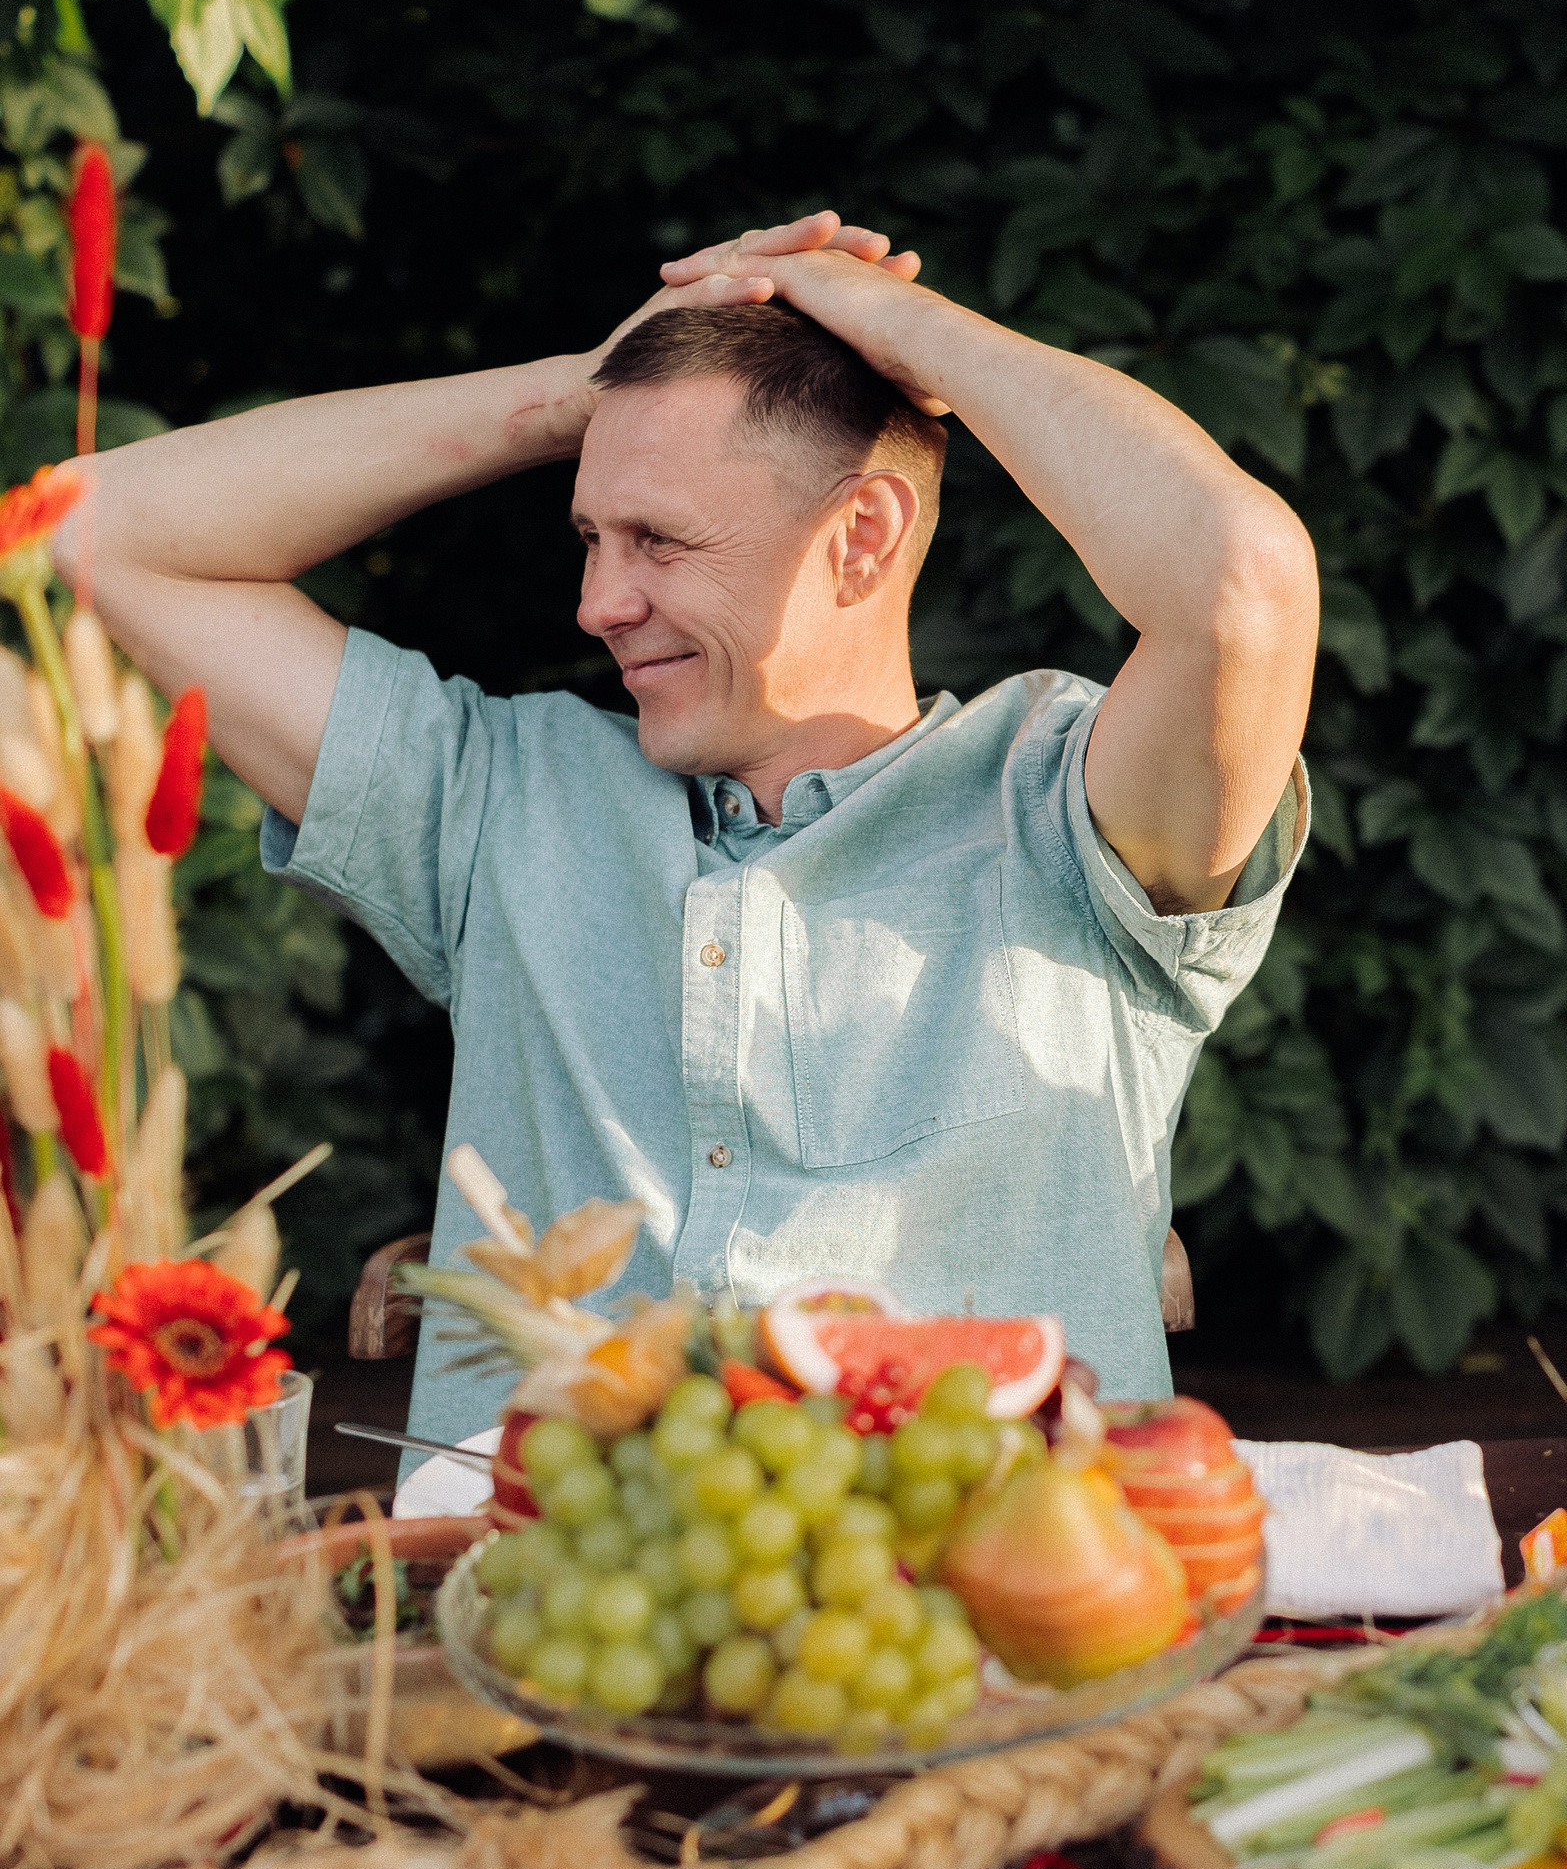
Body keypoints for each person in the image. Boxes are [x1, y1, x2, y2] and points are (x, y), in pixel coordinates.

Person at [75, 213, 1320, 1454]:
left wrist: (906, 331)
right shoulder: (496, 797)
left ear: (865, 534)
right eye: (591, 538)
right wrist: (599, 383)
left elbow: (1243, 580)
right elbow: (92, 524)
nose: (599, 602)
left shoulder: (1071, 806)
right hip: (527, 1612)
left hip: (997, 1613)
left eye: (659, 539)